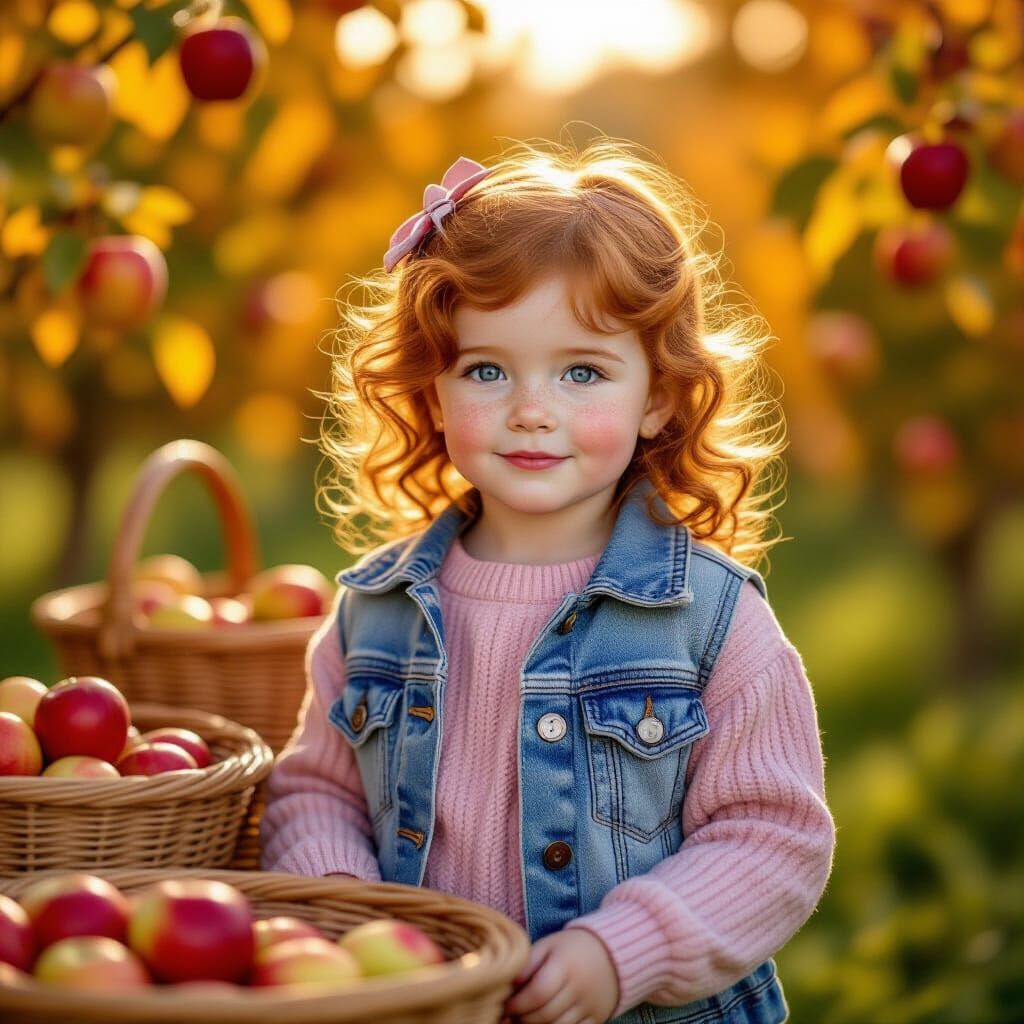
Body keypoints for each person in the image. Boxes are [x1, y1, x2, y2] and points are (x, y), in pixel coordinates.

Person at [260, 138, 836, 1024]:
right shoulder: (374, 612)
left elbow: (773, 837)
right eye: (487, 370)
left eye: (582, 372)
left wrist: (624, 950)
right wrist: (350, 914)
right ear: (433, 392)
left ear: (657, 397)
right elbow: (315, 792)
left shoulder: (710, 622)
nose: (532, 409)